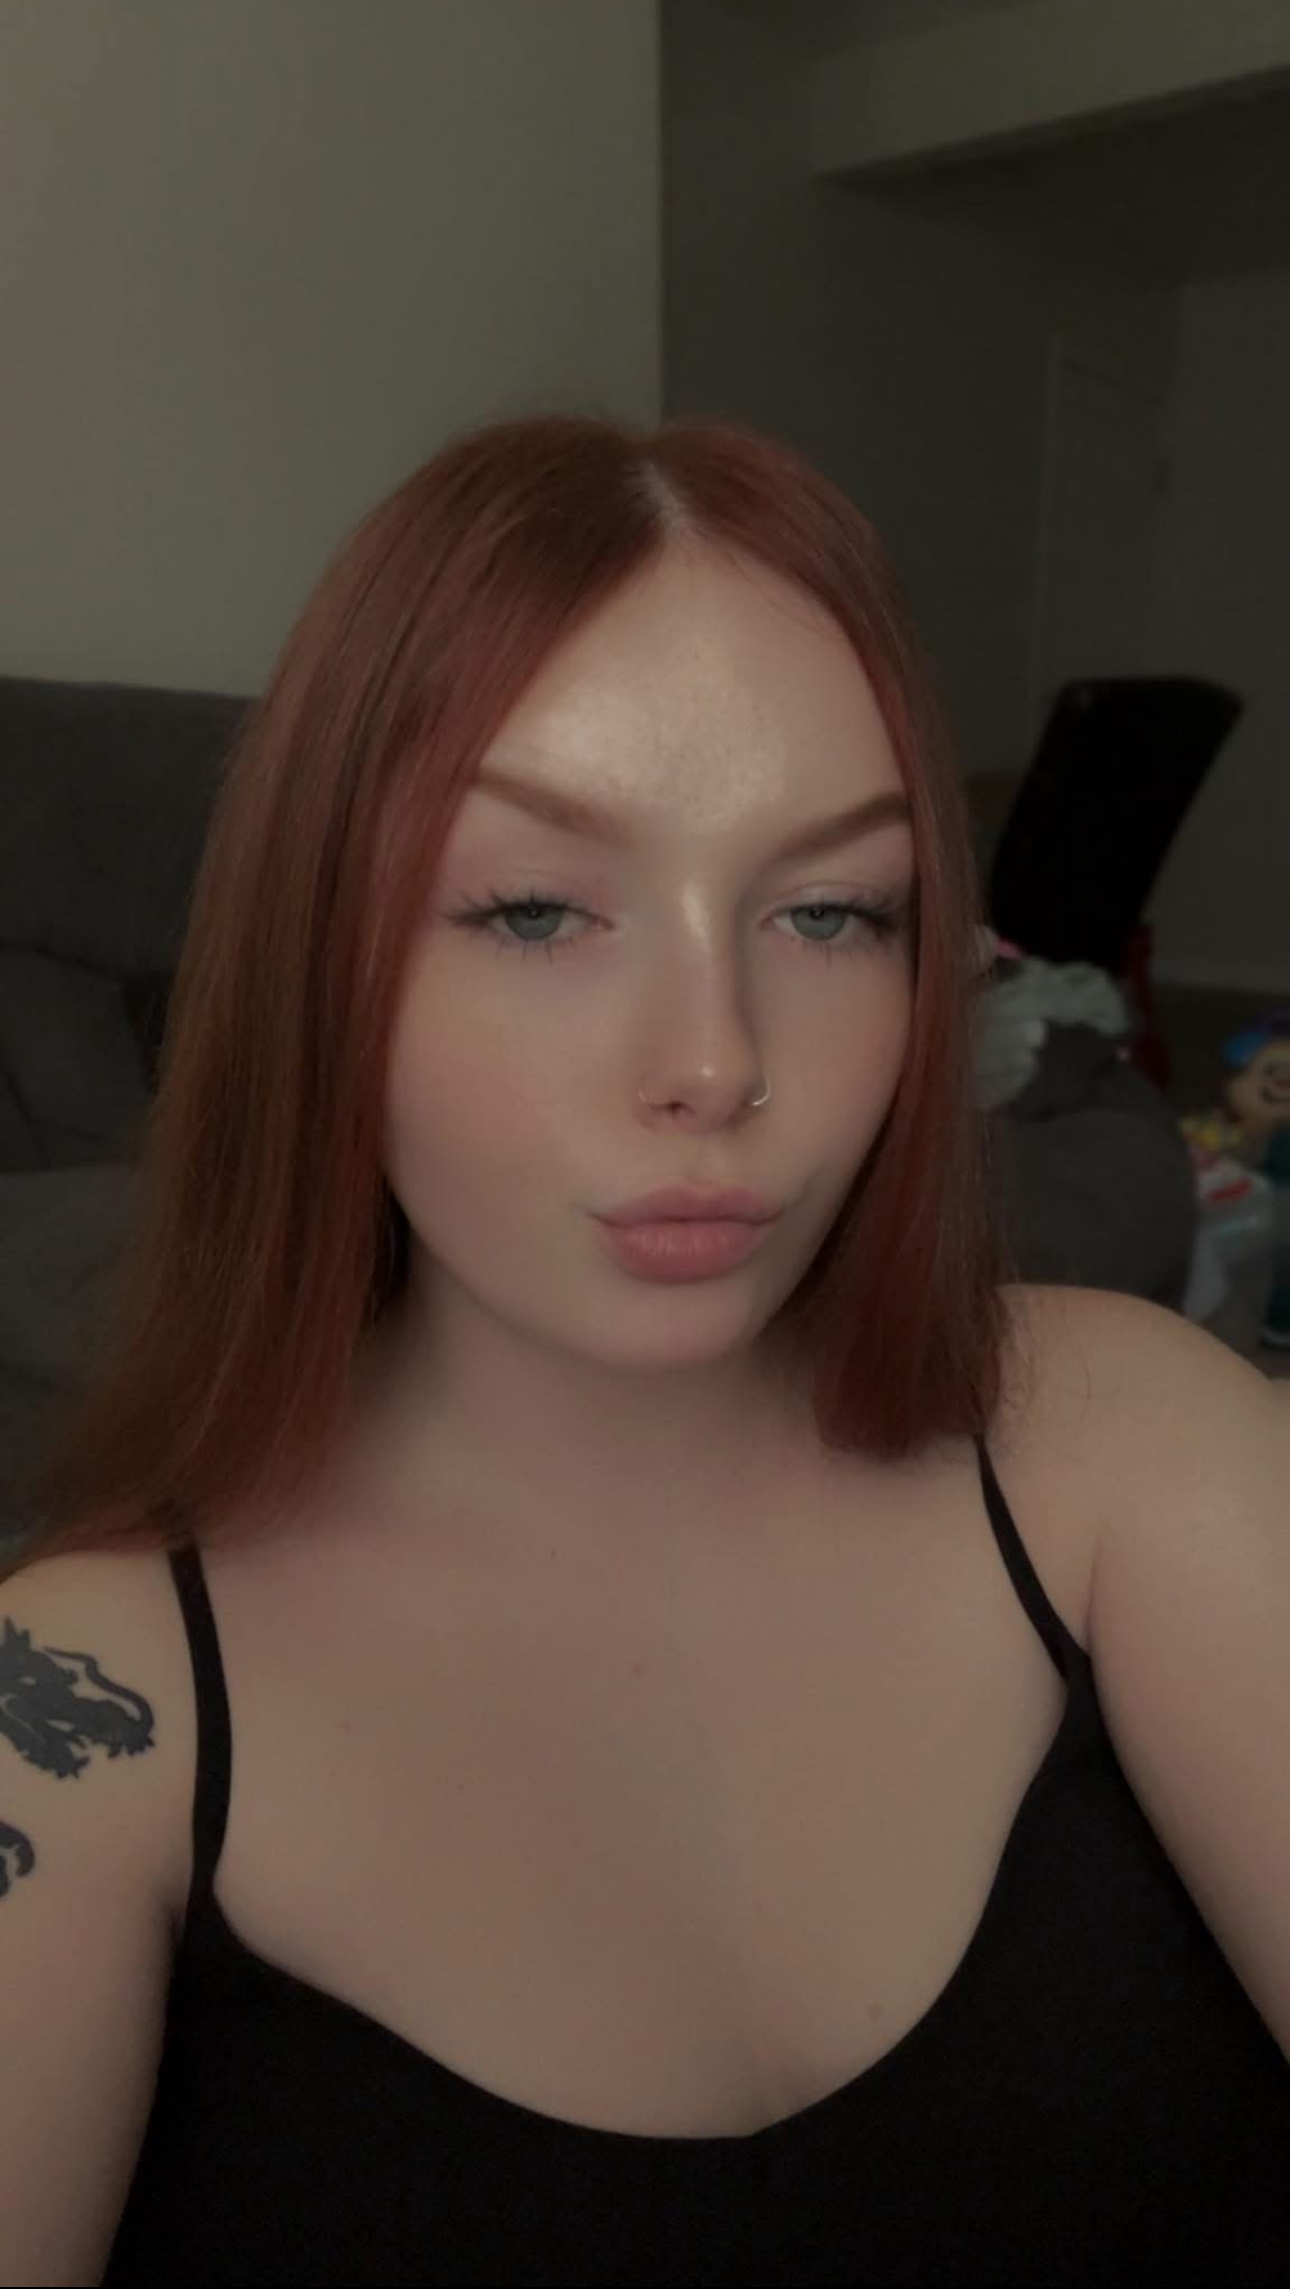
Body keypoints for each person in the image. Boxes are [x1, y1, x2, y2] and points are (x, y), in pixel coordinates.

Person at [1, 414, 1287, 2289]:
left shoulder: (1133, 1446)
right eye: (533, 908)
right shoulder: (74, 1712)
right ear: (315, 961)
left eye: (829, 909)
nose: (715, 1058)